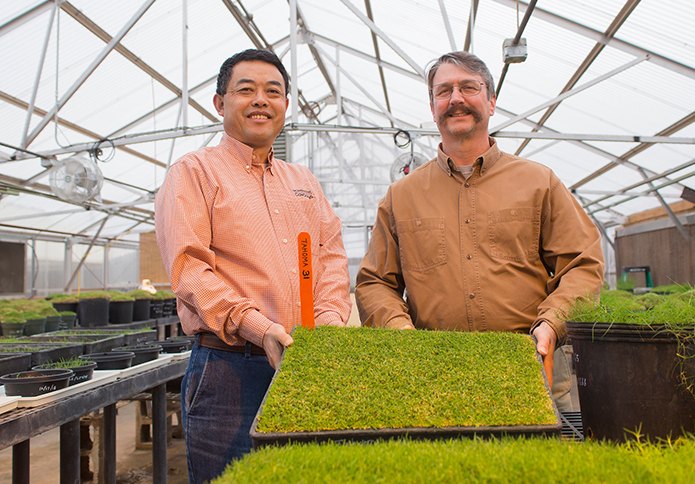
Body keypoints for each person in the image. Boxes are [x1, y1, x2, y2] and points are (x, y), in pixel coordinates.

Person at [355, 51, 604, 406]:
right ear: (433, 108)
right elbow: (375, 281)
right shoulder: (401, 196)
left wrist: (551, 324)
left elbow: (583, 264)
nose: (455, 98)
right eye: (444, 91)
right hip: (434, 372)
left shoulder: (538, 182)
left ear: (491, 102)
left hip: (532, 365)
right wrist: (400, 332)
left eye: (468, 87)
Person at [155, 49, 351, 484]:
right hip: (230, 369)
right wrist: (259, 328)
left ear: (285, 105)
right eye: (246, 90)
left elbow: (332, 256)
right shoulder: (194, 173)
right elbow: (189, 270)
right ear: (220, 103)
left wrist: (329, 320)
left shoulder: (303, 182)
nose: (261, 100)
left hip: (307, 363)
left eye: (273, 92)